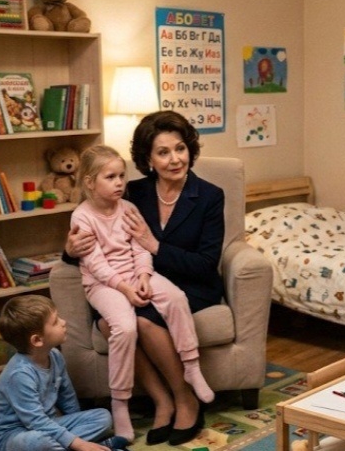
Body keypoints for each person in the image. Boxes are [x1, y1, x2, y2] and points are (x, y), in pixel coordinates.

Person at [65, 110, 226, 446]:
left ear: (190, 149)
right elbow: (95, 236)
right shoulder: (131, 192)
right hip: (134, 281)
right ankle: (161, 400)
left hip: (192, 284)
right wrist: (69, 248)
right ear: (148, 159)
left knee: (144, 321)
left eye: (180, 149)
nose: (175, 159)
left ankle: (185, 398)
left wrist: (155, 246)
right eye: (163, 152)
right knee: (110, 324)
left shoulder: (210, 195)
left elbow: (206, 264)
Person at [0, 295, 130, 451]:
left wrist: (77, 436)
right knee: (38, 441)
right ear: (37, 340)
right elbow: (35, 421)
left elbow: (67, 396)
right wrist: (80, 443)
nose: (63, 322)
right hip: (14, 436)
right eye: (55, 322)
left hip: (48, 425)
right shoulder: (19, 374)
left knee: (103, 417)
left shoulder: (55, 355)